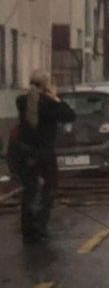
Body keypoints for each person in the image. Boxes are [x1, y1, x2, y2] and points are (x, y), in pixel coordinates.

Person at [9, 72, 76, 243]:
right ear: (46, 85)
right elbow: (70, 116)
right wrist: (56, 98)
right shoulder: (49, 103)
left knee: (30, 189)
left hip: (25, 154)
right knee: (49, 187)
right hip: (44, 154)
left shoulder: (21, 101)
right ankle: (40, 225)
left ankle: (27, 228)